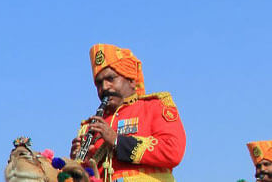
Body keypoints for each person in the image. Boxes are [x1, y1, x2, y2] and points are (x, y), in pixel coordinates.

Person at [71, 43, 186, 182]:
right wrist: (77, 164)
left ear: (131, 80)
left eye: (110, 79)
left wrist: (117, 141)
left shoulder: (155, 106)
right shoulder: (90, 126)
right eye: (99, 83)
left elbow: (172, 151)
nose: (104, 87)